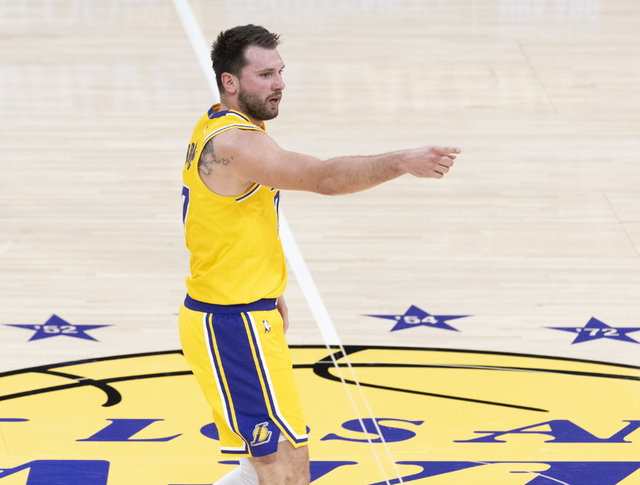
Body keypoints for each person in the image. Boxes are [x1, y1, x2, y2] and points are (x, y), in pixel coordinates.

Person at [178, 24, 459, 485]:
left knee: (266, 470)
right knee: (286, 473)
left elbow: (224, 221)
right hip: (233, 325)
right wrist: (402, 162)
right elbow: (323, 178)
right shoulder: (236, 144)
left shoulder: (220, 124)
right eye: (265, 75)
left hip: (239, 313)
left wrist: (265, 288)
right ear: (230, 81)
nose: (279, 84)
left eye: (280, 72)